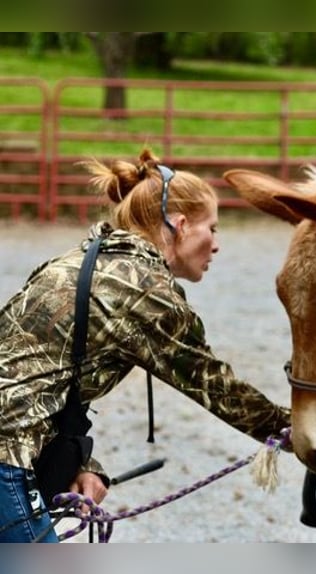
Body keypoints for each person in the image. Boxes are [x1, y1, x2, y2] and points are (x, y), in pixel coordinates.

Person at [0, 148, 291, 542]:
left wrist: (81, 464)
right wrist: (295, 429)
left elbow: (30, 385)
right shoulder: (145, 291)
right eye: (214, 228)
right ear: (182, 225)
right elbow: (211, 383)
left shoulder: (78, 262)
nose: (217, 244)